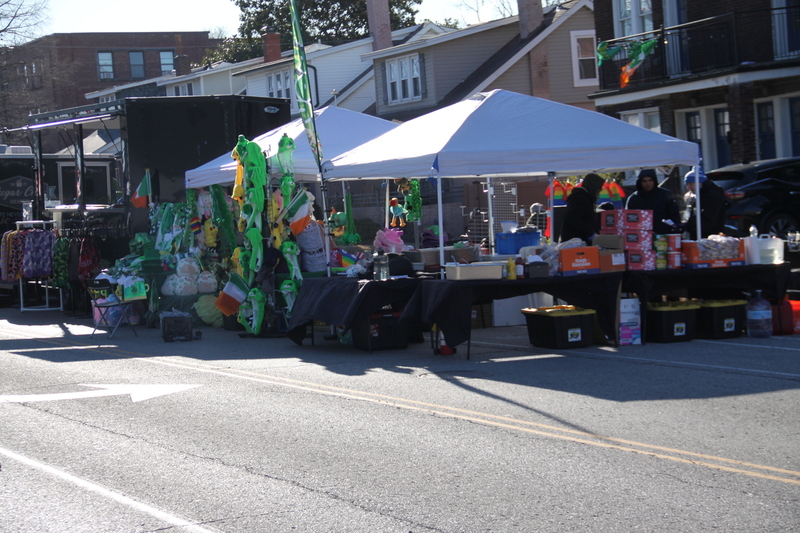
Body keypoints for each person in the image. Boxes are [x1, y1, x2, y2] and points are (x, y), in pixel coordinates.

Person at [625, 169, 681, 234]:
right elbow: (629, 219)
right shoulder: (634, 198)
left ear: (654, 180)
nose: (648, 183)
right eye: (644, 181)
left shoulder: (665, 195)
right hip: (642, 236)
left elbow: (675, 215)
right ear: (640, 182)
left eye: (650, 180)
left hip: (664, 235)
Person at [559, 173, 606, 243]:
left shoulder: (585, 198)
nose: (600, 190)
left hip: (579, 241)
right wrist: (590, 233)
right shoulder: (580, 198)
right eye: (599, 188)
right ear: (593, 187)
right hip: (575, 242)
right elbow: (572, 218)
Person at [685, 169, 727, 239]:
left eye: (691, 184)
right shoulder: (697, 195)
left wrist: (688, 225)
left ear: (700, 182)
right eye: (687, 184)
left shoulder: (712, 195)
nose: (689, 187)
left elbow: (708, 220)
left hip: (710, 237)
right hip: (703, 235)